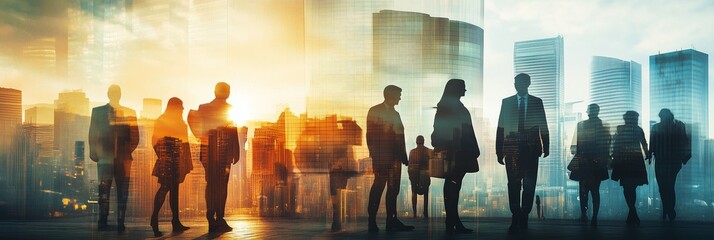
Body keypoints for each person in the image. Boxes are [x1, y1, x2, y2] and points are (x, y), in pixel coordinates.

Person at [496, 73, 549, 233]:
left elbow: (543, 126)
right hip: (511, 150)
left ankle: (524, 215)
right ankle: (516, 216)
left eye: (520, 82)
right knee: (513, 185)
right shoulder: (506, 102)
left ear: (528, 83)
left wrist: (546, 147)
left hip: (531, 151)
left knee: (529, 185)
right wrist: (499, 151)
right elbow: (500, 128)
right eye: (515, 82)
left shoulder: (537, 102)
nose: (516, 84)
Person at [188, 82, 241, 232]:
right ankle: (218, 218)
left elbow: (192, 120)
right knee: (221, 186)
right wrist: (235, 151)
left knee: (211, 184)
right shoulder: (226, 109)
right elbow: (233, 131)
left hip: (209, 152)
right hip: (222, 152)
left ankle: (213, 217)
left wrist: (201, 137)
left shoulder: (204, 108)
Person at [88, 85, 139, 232]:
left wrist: (124, 153)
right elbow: (93, 133)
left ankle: (119, 222)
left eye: (117, 93)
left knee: (121, 192)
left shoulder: (129, 113)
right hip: (106, 159)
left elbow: (135, 137)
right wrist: (95, 153)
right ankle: (103, 222)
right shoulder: (97, 112)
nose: (115, 95)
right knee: (105, 192)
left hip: (120, 160)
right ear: (109, 94)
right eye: (114, 93)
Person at [432, 79, 480, 234]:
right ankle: (452, 220)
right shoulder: (450, 107)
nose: (465, 90)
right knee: (453, 185)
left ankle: (452, 220)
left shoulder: (450, 106)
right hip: (456, 153)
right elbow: (445, 130)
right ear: (456, 89)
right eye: (463, 88)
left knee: (453, 185)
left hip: (459, 152)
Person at [366, 85, 414, 232]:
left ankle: (391, 220)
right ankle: (372, 221)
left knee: (394, 190)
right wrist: (375, 156)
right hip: (382, 159)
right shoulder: (375, 110)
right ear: (390, 95)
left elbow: (400, 136)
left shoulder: (396, 114)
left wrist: (403, 157)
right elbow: (370, 136)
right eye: (398, 95)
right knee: (378, 189)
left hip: (395, 159)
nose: (400, 98)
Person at [150, 97, 193, 237]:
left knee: (172, 190)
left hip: (173, 160)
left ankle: (173, 221)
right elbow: (156, 141)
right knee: (167, 189)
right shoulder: (169, 122)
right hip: (171, 160)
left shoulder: (169, 121)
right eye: (181, 106)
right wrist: (164, 157)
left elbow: (155, 141)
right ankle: (156, 219)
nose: (182, 109)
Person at [568, 104, 610, 226]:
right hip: (597, 164)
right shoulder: (603, 127)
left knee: (583, 191)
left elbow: (574, 147)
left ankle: (584, 215)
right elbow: (606, 146)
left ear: (587, 112)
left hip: (583, 163)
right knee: (595, 191)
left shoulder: (581, 125)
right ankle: (594, 217)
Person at [650, 108, 690, 221]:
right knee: (665, 187)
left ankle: (667, 210)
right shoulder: (677, 126)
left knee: (665, 187)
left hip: (667, 160)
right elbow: (685, 141)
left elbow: (685, 141)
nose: (662, 119)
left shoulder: (661, 127)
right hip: (669, 160)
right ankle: (668, 210)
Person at [611, 111, 649, 227]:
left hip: (624, 162)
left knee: (628, 188)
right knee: (631, 187)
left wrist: (613, 157)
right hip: (634, 161)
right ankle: (632, 212)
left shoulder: (622, 130)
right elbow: (644, 143)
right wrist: (647, 154)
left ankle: (632, 212)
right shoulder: (637, 129)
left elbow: (616, 144)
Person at [407, 136, 432, 219]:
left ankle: (415, 213)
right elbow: (431, 164)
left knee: (414, 193)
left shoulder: (412, 152)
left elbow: (409, 166)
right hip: (425, 176)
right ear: (423, 141)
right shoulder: (428, 151)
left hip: (414, 176)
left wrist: (410, 176)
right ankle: (425, 213)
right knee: (426, 194)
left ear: (416, 142)